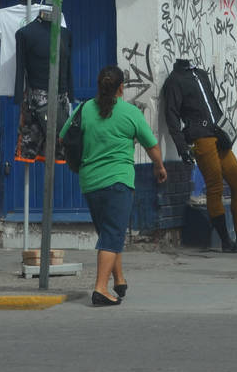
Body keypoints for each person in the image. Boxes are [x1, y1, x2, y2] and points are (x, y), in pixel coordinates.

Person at [62, 65, 166, 306]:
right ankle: (100, 289)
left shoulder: (84, 109)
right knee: (112, 234)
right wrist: (159, 167)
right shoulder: (130, 113)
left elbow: (63, 136)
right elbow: (152, 146)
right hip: (118, 182)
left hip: (90, 182)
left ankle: (119, 279)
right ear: (121, 87)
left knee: (109, 232)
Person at [162, 58, 237, 253]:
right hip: (201, 138)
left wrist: (225, 129)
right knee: (215, 186)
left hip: (218, 135)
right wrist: (182, 147)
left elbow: (213, 104)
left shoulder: (201, 74)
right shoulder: (174, 81)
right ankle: (226, 241)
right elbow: (172, 116)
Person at [15, 12, 73, 161]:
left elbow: (68, 67)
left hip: (61, 102)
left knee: (60, 152)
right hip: (35, 104)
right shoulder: (25, 34)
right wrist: (18, 95)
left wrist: (71, 95)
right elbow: (20, 67)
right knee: (30, 151)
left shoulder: (65, 34)